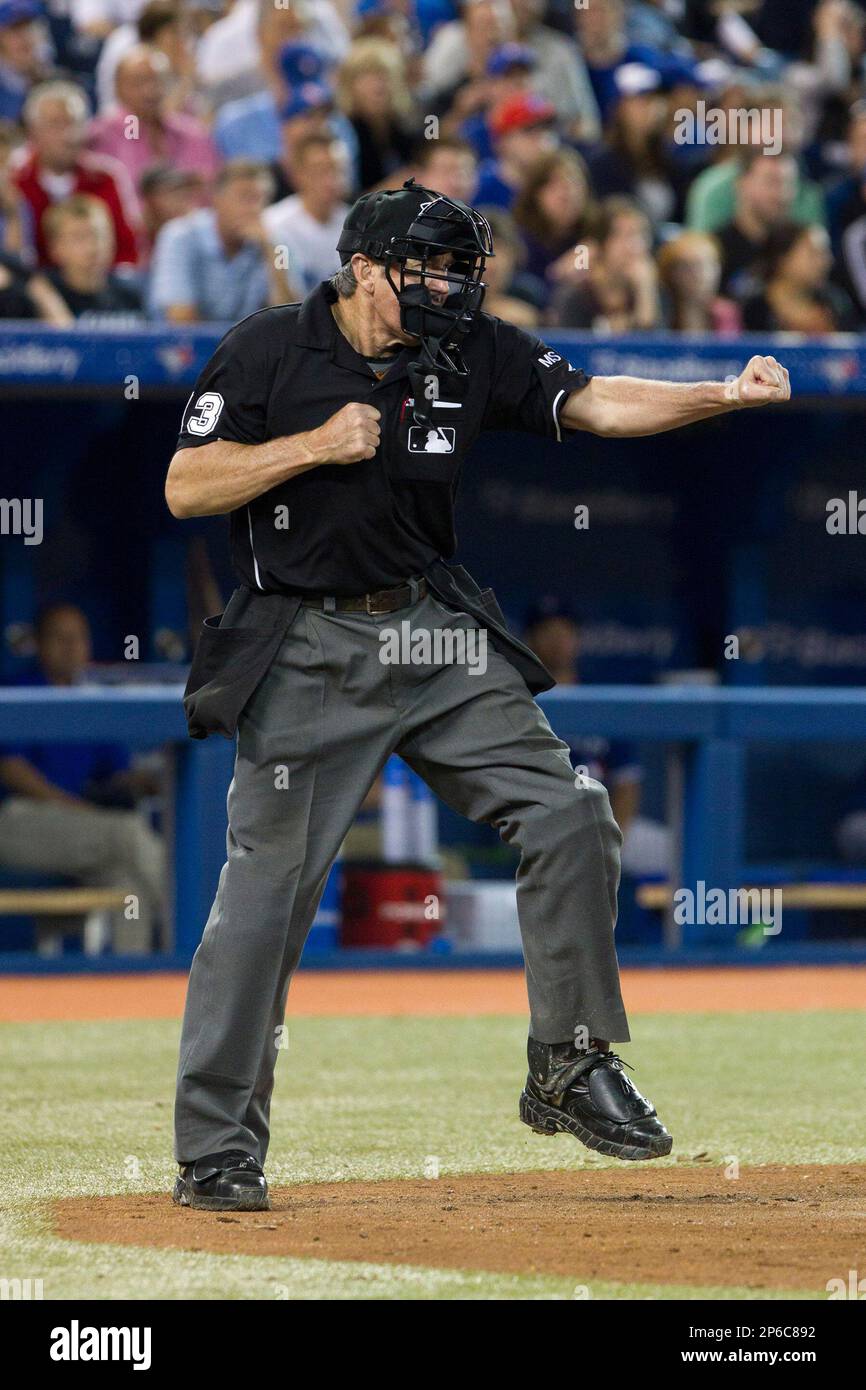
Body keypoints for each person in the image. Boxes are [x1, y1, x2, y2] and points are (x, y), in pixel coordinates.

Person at [164, 176, 790, 1211]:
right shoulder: (269, 346)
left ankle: (567, 1061)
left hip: (431, 630)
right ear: (364, 270)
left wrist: (716, 396)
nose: (450, 285)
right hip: (304, 644)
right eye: (428, 267)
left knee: (570, 810)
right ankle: (215, 1149)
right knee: (260, 907)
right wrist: (312, 446)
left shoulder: (469, 349)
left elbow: (591, 400)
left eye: (460, 267)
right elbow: (187, 484)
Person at [0, 603, 166, 954]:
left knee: (127, 880)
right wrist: (75, 808)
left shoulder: (89, 698)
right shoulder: (18, 688)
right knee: (125, 832)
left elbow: (118, 774)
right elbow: (11, 769)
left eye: (78, 638)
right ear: (40, 644)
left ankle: (134, 986)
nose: (72, 647)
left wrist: (156, 779)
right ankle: (200, 933)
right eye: (60, 638)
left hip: (72, 833)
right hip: (15, 823)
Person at [523, 599, 671, 878]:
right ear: (528, 639)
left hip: (604, 823)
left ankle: (679, 921)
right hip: (542, 828)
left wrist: (610, 842)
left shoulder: (600, 704)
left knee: (675, 850)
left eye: (565, 632)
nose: (557, 641)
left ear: (577, 640)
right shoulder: (517, 704)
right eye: (547, 632)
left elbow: (627, 783)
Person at [13, 79, 141, 267]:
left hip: (101, 283)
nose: (68, 134)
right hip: (35, 285)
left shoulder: (106, 177)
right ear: (33, 131)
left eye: (74, 123)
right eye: (55, 124)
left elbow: (127, 249)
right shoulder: (15, 181)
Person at [148, 158, 294, 322]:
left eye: (261, 199)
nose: (254, 208)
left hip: (247, 345)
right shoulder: (180, 236)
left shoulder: (276, 244)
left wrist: (271, 254)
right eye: (245, 197)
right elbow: (179, 320)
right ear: (217, 200)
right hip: (187, 346)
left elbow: (290, 319)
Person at [87, 44, 220, 206]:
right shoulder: (103, 135)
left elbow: (212, 189)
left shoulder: (193, 133)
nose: (150, 90)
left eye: (158, 80)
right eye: (139, 82)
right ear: (118, 88)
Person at [553, 194, 661, 332]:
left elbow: (657, 349)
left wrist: (645, 293)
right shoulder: (575, 296)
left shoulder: (653, 290)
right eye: (623, 236)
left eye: (641, 235)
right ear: (601, 244)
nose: (635, 246)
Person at [263, 133, 349, 294]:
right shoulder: (273, 224)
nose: (330, 179)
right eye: (320, 171)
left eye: (336, 169)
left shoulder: (354, 224)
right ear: (297, 175)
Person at [741, 221, 858, 333]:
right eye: (813, 254)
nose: (826, 262)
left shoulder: (837, 303)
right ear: (782, 259)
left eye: (824, 254)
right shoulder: (753, 310)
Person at [713, 149, 799, 297]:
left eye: (789, 183)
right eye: (772, 182)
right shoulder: (717, 249)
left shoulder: (798, 246)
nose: (782, 194)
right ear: (742, 184)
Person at [43, 193, 143, 320]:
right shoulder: (42, 293)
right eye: (79, 238)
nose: (93, 247)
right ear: (55, 248)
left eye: (99, 235)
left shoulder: (131, 295)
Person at [335, 37, 416, 191]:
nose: (378, 85)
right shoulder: (342, 131)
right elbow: (341, 197)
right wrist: (388, 189)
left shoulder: (402, 127)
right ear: (349, 85)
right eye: (366, 76)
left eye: (384, 74)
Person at [657, 229, 742, 334]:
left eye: (709, 265)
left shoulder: (726, 314)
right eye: (687, 266)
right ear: (670, 272)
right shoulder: (660, 311)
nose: (700, 275)